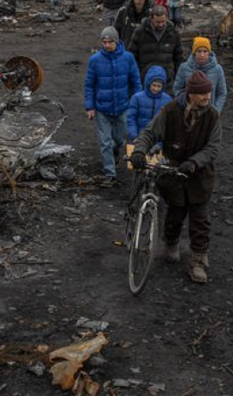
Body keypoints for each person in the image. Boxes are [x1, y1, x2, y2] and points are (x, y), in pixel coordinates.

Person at [131, 70, 222, 284]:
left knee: (200, 220)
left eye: (209, 93)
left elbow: (213, 148)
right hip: (173, 174)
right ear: (190, 94)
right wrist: (139, 151)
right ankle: (171, 242)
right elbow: (149, 133)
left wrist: (194, 162)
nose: (207, 97)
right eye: (202, 94)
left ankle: (198, 261)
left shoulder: (212, 116)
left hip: (199, 176)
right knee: (175, 214)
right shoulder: (170, 111)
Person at [84, 26, 142, 184]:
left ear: (116, 41)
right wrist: (90, 107)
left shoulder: (128, 58)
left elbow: (135, 81)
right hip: (102, 108)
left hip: (122, 107)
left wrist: (137, 103)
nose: (107, 45)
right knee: (105, 142)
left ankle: (115, 152)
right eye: (104, 42)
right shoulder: (95, 61)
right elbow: (89, 84)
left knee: (119, 140)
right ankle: (110, 174)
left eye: (110, 42)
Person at [128, 5, 184, 86]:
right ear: (151, 19)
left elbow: (179, 58)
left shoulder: (174, 33)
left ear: (167, 18)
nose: (161, 24)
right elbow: (132, 56)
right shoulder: (140, 32)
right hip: (145, 80)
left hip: (167, 81)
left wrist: (177, 78)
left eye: (163, 21)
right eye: (157, 22)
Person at [173, 37, 228, 112]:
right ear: (194, 52)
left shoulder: (217, 69)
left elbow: (222, 93)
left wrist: (216, 111)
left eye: (205, 51)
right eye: (199, 51)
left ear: (209, 52)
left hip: (209, 113)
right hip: (188, 112)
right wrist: (185, 104)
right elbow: (177, 89)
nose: (202, 55)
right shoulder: (184, 68)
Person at [126, 65, 172, 144]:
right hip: (139, 139)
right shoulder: (137, 98)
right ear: (148, 83)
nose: (156, 89)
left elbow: (169, 123)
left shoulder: (168, 100)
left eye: (159, 86)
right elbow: (130, 118)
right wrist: (134, 136)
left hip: (158, 141)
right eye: (154, 85)